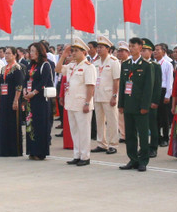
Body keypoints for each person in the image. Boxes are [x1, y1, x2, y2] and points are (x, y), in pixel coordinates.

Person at [60, 37, 96, 166]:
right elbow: (58, 69)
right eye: (73, 51)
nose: (73, 53)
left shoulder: (89, 67)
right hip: (71, 102)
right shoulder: (71, 65)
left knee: (84, 131)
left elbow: (90, 86)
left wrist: (87, 102)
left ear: (84, 52)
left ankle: (85, 156)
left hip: (82, 103)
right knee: (74, 131)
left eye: (76, 51)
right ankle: (77, 155)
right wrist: (63, 56)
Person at [119, 37, 152, 172]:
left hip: (140, 106)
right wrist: (121, 104)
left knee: (143, 135)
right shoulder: (125, 64)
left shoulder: (146, 65)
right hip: (128, 105)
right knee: (130, 134)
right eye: (130, 46)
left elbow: (148, 88)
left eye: (133, 46)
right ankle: (133, 159)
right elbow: (122, 86)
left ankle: (143, 161)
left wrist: (145, 106)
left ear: (140, 47)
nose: (131, 48)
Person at [90, 35, 120, 155]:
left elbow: (116, 80)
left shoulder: (114, 61)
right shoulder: (96, 62)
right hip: (98, 95)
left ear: (108, 49)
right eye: (98, 47)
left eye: (101, 47)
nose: (99, 49)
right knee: (99, 121)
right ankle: (101, 143)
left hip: (109, 95)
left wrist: (114, 95)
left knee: (112, 120)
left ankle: (113, 144)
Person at [24, 42, 54, 160]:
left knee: (40, 125)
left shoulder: (45, 65)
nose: (30, 53)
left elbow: (44, 81)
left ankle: (40, 152)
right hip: (30, 99)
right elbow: (26, 79)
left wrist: (34, 92)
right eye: (30, 51)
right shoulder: (30, 65)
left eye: (33, 51)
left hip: (40, 99)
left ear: (39, 52)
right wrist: (25, 91)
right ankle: (31, 150)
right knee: (30, 125)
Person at [0, 46, 25, 157]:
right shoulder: (4, 68)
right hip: (4, 98)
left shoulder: (17, 68)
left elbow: (19, 86)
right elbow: (0, 85)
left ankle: (14, 150)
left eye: (8, 53)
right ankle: (3, 149)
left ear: (14, 55)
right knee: (3, 123)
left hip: (13, 98)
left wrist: (16, 100)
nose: (6, 55)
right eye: (5, 53)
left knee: (13, 123)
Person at [154, 43, 174, 148]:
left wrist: (167, 95)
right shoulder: (152, 63)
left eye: (158, 50)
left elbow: (170, 81)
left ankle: (165, 138)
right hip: (154, 91)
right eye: (155, 50)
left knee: (164, 116)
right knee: (155, 116)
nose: (155, 52)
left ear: (163, 52)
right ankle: (157, 137)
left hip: (163, 91)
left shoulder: (167, 64)